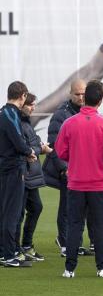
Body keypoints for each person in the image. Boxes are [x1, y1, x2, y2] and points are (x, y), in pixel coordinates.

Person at [54, 80, 103, 278]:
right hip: (98, 184)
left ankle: (69, 269)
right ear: (100, 100)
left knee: (74, 225)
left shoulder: (69, 123)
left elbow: (60, 151)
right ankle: (101, 267)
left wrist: (75, 157)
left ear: (84, 98)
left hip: (75, 183)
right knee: (99, 227)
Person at [41, 79, 93, 257]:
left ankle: (75, 243)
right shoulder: (61, 115)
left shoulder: (87, 112)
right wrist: (64, 169)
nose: (81, 97)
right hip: (67, 169)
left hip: (83, 168)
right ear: (70, 94)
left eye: (83, 94)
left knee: (82, 207)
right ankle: (65, 244)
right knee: (67, 207)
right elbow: (54, 144)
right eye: (77, 94)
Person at [0, 81, 36, 267]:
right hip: (12, 168)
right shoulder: (11, 114)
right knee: (12, 212)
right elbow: (17, 139)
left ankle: (4, 252)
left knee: (5, 210)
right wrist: (29, 152)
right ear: (23, 95)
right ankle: (9, 256)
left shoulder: (3, 112)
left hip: (5, 167)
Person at [17, 93, 51, 261]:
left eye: (34, 105)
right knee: (18, 214)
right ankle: (15, 248)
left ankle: (25, 246)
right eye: (30, 105)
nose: (33, 108)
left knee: (35, 208)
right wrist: (40, 149)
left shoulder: (26, 122)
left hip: (31, 176)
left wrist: (39, 146)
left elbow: (33, 143)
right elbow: (23, 148)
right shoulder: (18, 123)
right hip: (23, 175)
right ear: (22, 104)